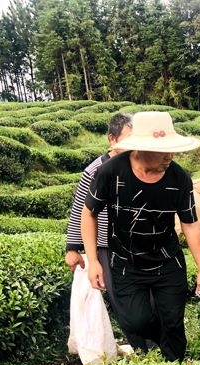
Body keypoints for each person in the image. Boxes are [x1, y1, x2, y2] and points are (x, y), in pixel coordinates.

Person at [82, 111, 200, 362]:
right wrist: (93, 260)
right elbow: (89, 214)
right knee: (135, 321)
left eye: (170, 151)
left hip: (167, 261)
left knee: (173, 322)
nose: (169, 157)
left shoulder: (179, 178)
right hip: (126, 262)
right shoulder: (110, 172)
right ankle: (166, 343)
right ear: (140, 148)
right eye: (162, 151)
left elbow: (190, 224)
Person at [65, 113, 153, 349]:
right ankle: (142, 349)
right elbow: (81, 211)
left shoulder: (141, 165)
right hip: (107, 245)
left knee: (149, 294)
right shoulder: (96, 170)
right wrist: (73, 248)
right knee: (121, 298)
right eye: (128, 139)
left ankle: (157, 345)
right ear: (112, 139)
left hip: (140, 243)